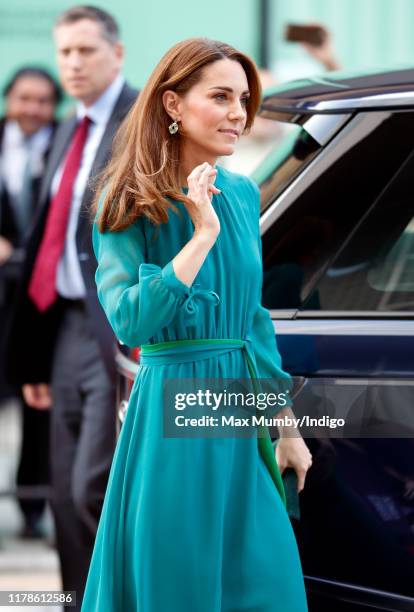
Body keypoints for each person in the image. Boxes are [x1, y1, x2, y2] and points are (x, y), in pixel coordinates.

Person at [81, 37, 312, 611]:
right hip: (173, 414)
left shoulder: (241, 191)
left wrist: (285, 425)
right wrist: (200, 235)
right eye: (221, 96)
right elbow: (131, 322)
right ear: (173, 105)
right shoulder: (127, 200)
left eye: (243, 98)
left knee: (267, 584)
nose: (239, 112)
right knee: (179, 585)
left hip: (239, 407)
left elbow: (253, 324)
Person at [5, 6, 137, 610]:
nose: (74, 63)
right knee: (62, 492)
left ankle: (111, 599)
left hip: (117, 326)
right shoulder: (67, 126)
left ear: (118, 53)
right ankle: (78, 600)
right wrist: (32, 355)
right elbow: (45, 240)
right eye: (66, 53)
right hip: (61, 329)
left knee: (93, 486)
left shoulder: (139, 121)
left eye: (86, 51)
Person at [0, 66, 61, 537]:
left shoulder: (63, 143)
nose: (33, 109)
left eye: (43, 100)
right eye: (25, 99)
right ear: (9, 100)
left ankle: (33, 508)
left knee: (39, 405)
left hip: (42, 296)